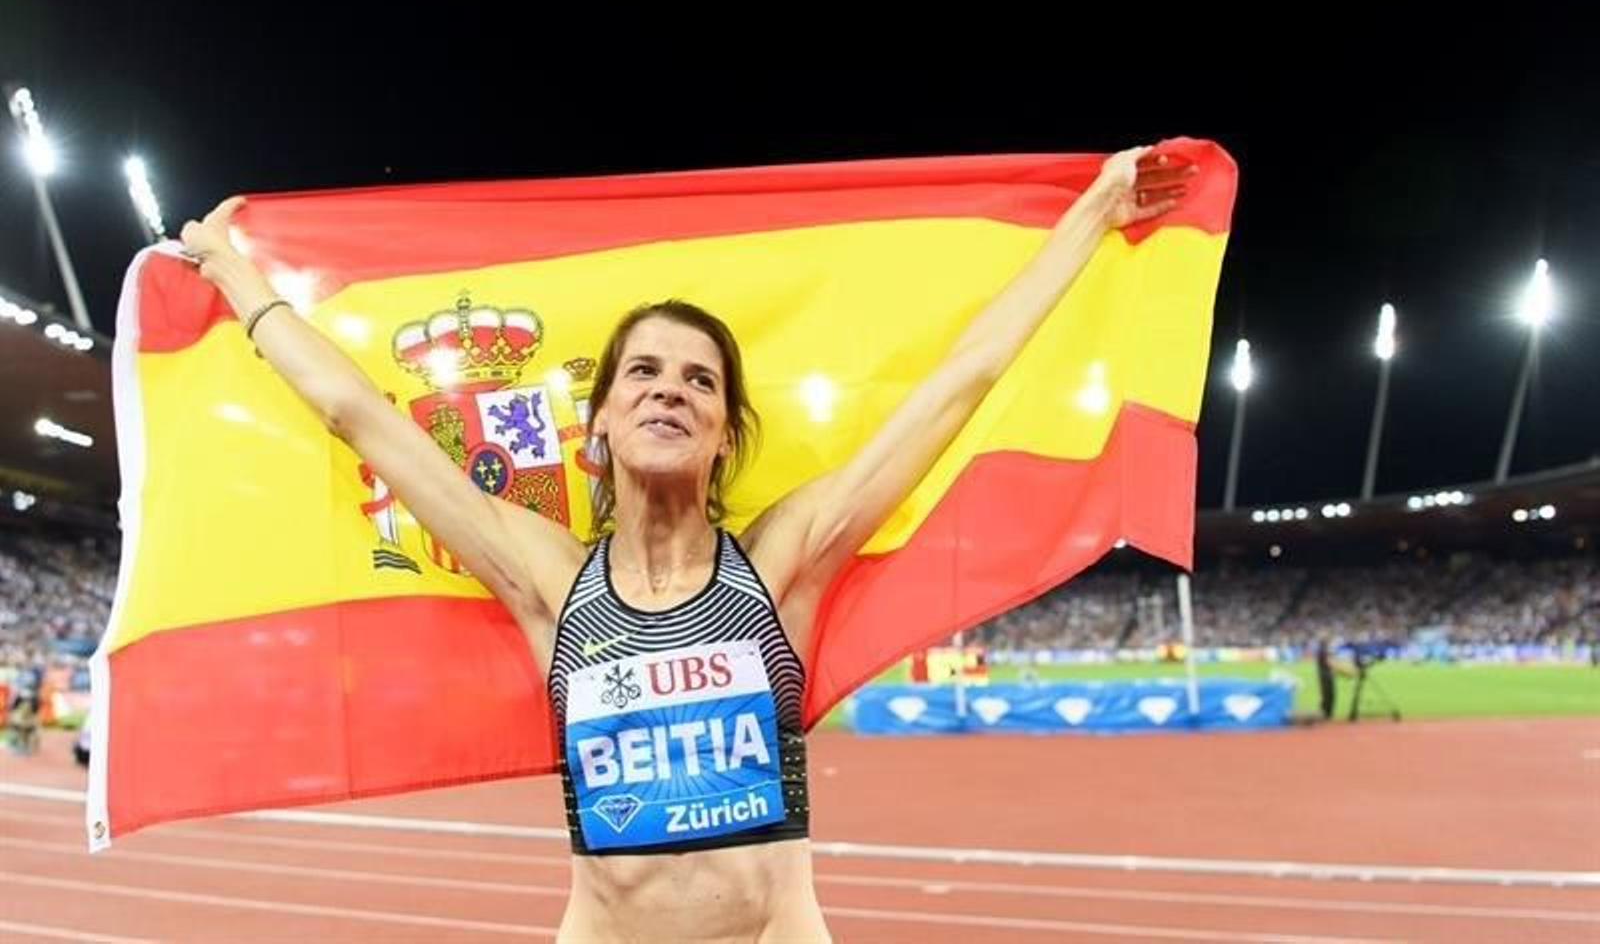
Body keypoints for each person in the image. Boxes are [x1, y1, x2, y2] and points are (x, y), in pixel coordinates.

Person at [178, 145, 1195, 942]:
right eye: (646, 375)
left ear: (721, 436)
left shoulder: (782, 558)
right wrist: (234, 272)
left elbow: (959, 383)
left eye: (700, 380)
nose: (671, 388)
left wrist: (1093, 214)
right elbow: (364, 418)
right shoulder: (546, 579)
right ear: (601, 426)